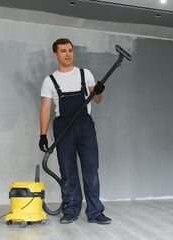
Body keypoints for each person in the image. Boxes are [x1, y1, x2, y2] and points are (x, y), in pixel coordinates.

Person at [39, 38, 111, 225]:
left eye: (70, 50)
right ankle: (70, 210)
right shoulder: (50, 80)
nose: (68, 54)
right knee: (68, 170)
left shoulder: (84, 73)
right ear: (56, 54)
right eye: (63, 51)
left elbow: (97, 99)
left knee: (91, 168)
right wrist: (42, 135)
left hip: (85, 126)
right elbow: (46, 109)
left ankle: (95, 212)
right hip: (63, 127)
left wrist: (99, 91)